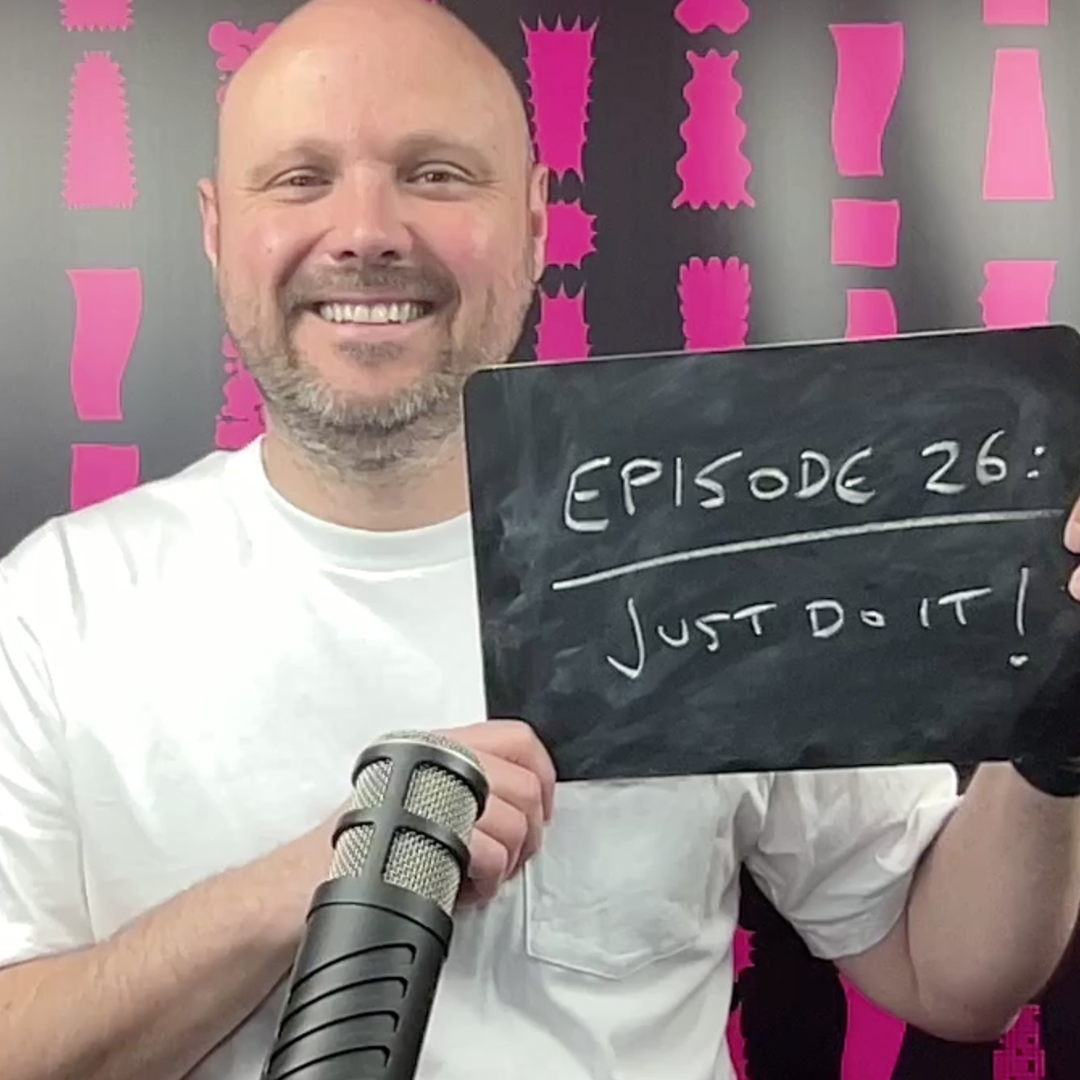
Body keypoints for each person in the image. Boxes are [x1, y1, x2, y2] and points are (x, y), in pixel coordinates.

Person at [1, 1, 1079, 1078]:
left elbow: (949, 974)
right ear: (215, 229)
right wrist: (338, 876)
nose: (367, 229)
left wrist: (1055, 732)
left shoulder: (712, 556)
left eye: (435, 174)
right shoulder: (57, 607)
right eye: (299, 178)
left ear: (534, 223)